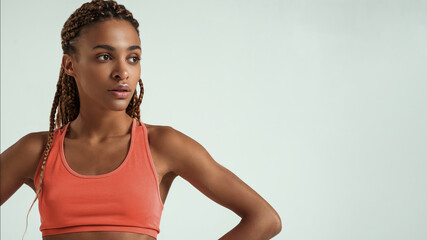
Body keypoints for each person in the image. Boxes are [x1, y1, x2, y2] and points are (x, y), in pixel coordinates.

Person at [0, 0, 282, 239]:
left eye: (133, 58)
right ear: (70, 65)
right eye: (104, 56)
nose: (122, 72)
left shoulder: (162, 145)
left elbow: (264, 218)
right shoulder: (38, 149)